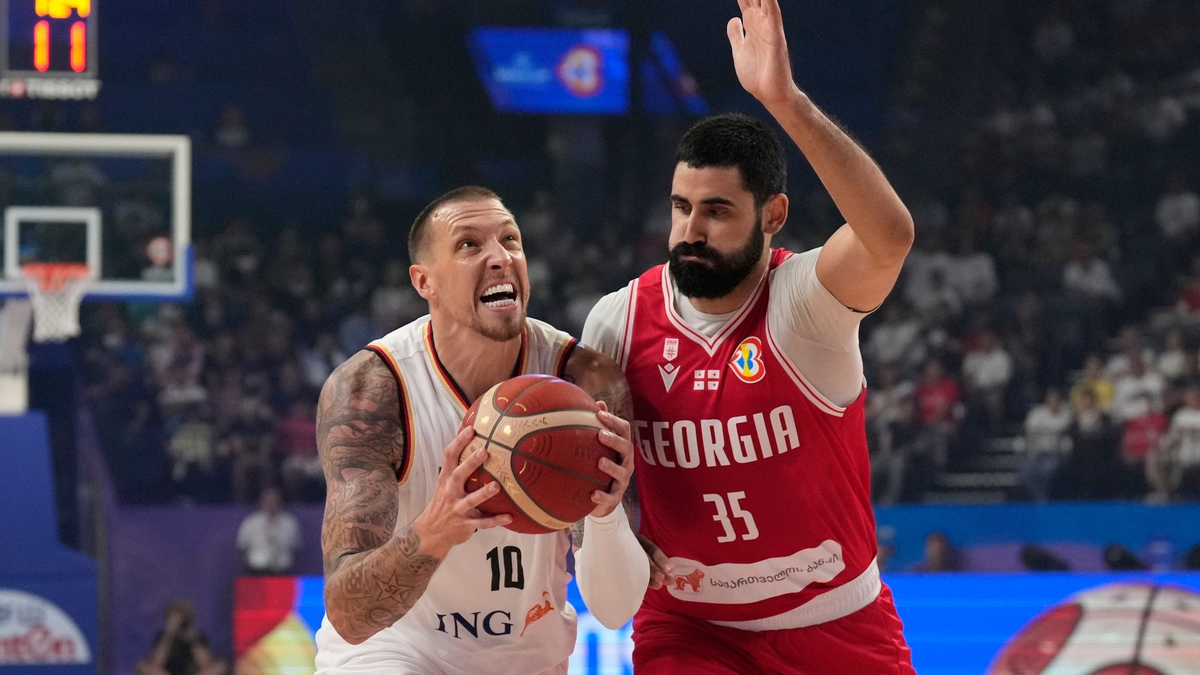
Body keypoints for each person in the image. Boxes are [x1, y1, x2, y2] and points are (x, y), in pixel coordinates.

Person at [582, 1, 915, 671]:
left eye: (717, 211)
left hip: (838, 623)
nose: (691, 231)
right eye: (681, 208)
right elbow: (600, 507)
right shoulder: (617, 322)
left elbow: (890, 236)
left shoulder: (803, 304)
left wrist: (787, 105)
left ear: (774, 215)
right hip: (691, 629)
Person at [314, 186, 649, 675]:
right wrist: (433, 532)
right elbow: (349, 616)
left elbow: (616, 609)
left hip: (529, 655)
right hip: (396, 648)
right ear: (422, 280)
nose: (499, 257)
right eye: (469, 244)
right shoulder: (371, 390)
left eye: (510, 240)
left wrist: (605, 514)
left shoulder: (584, 383)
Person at [136, 599, 227, 675]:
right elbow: (156, 662)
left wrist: (194, 640)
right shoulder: (163, 636)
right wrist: (168, 635)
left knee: (220, 666)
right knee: (143, 666)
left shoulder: (196, 635)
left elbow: (207, 663)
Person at [237, 485, 302, 575]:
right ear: (262, 502)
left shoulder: (290, 523)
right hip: (256, 572)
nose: (271, 503)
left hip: (282, 572)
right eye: (268, 500)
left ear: (280, 502)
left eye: (274, 500)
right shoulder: (250, 522)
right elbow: (243, 546)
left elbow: (295, 547)